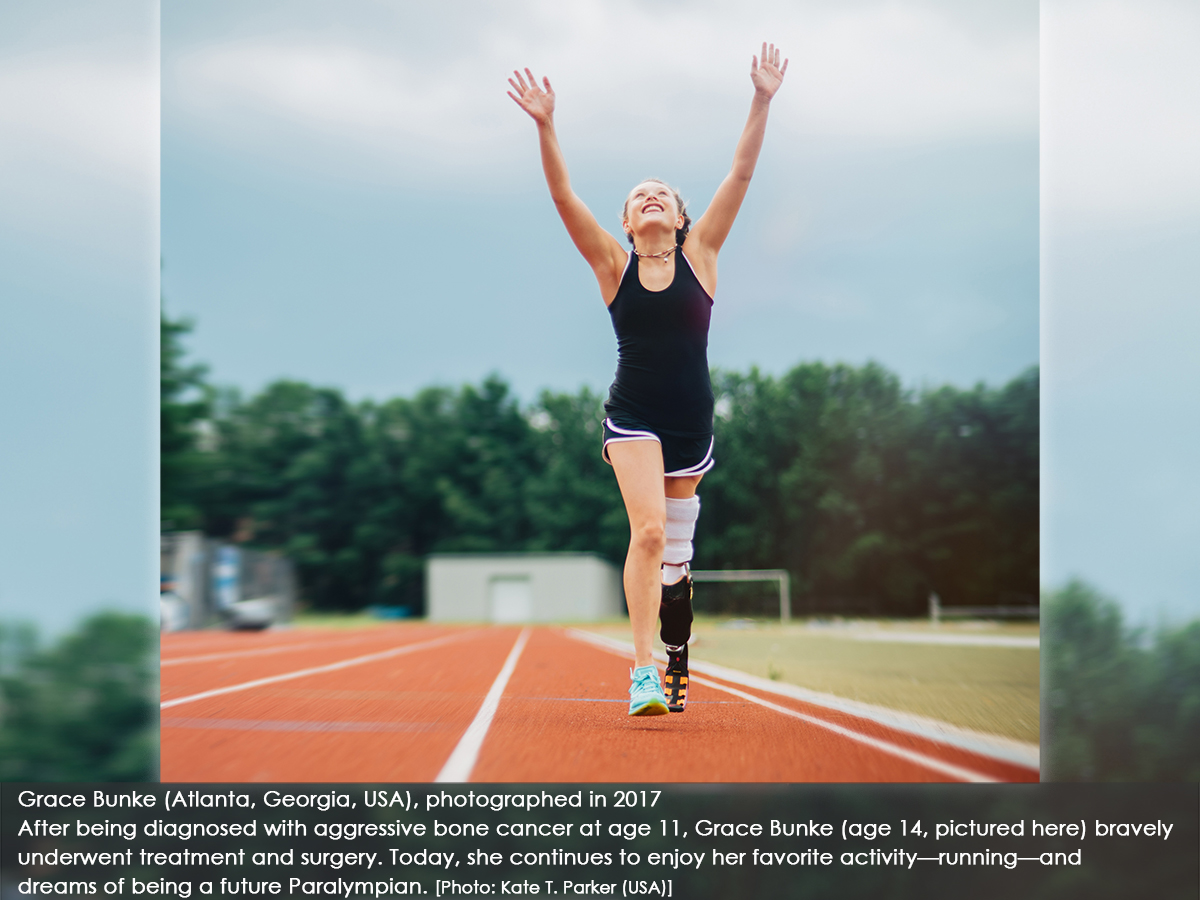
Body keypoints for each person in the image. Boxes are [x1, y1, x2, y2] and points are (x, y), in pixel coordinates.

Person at [508, 43, 787, 716]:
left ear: (681, 217)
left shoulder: (704, 256)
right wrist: (546, 126)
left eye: (661, 192)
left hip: (691, 418)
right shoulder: (612, 264)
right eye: (638, 196)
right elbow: (561, 195)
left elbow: (741, 175)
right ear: (629, 223)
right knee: (652, 533)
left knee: (678, 556)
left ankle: (678, 640)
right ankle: (641, 673)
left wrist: (761, 99)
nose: (650, 196)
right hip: (632, 412)